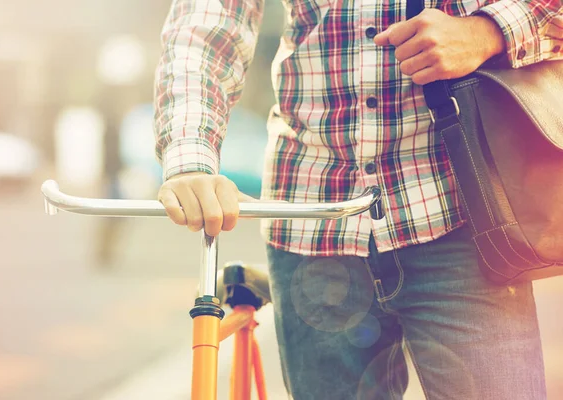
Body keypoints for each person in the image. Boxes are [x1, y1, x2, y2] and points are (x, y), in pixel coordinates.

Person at [154, 1, 562, 399]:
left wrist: (488, 31)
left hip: (464, 215)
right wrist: (191, 159)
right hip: (312, 221)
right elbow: (205, 25)